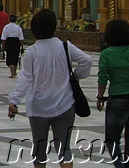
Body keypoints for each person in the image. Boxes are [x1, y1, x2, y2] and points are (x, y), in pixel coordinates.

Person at [8, 9, 92, 168]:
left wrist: (15, 99)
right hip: (64, 104)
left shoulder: (32, 51)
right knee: (64, 149)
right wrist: (77, 76)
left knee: (39, 149)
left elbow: (26, 77)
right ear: (54, 27)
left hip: (38, 107)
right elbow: (86, 61)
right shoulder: (65, 47)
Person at [96, 19, 129, 168]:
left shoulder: (107, 54)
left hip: (118, 100)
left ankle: (119, 165)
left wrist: (100, 97)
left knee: (111, 140)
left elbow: (102, 78)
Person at [1, 14, 24, 78]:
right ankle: (14, 71)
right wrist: (22, 46)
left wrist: (3, 47)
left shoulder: (6, 27)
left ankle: (12, 73)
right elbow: (21, 38)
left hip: (9, 42)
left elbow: (3, 38)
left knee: (10, 57)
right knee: (15, 57)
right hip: (16, 42)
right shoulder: (18, 27)